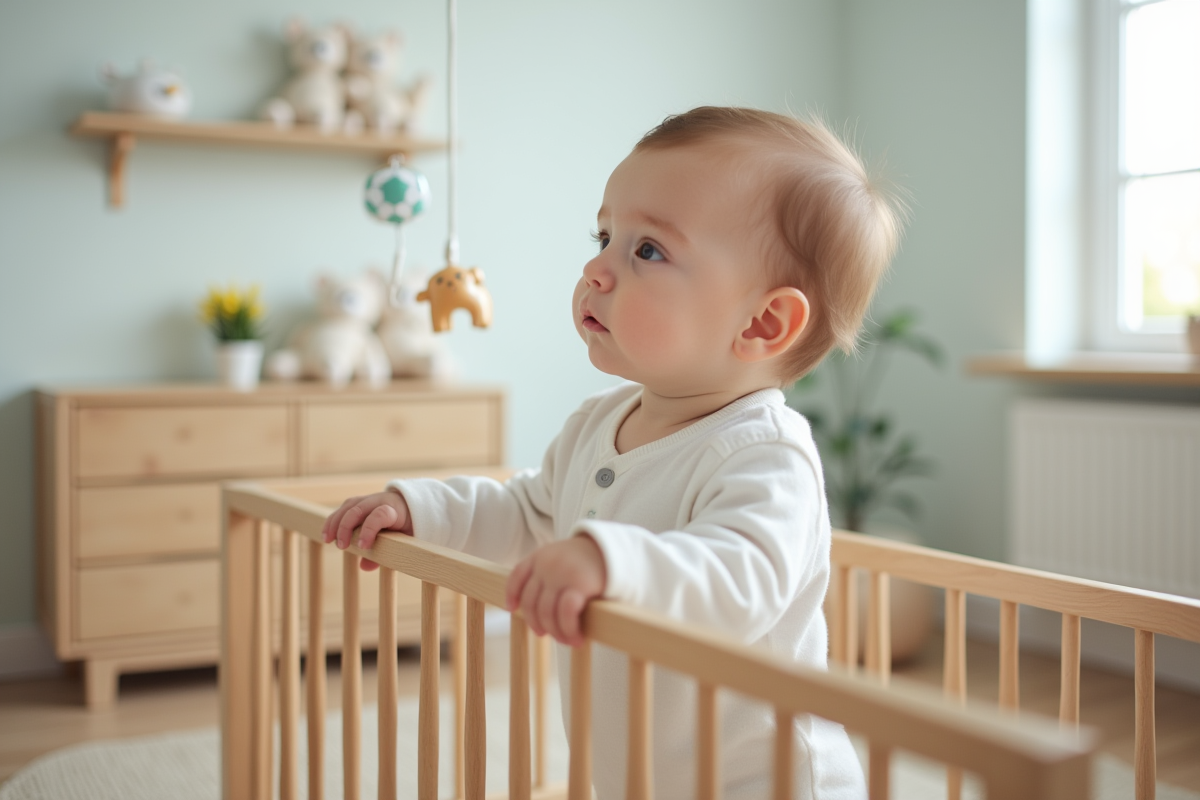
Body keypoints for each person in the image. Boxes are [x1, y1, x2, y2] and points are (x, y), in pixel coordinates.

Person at [322, 106, 903, 800]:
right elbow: (528, 513)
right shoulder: (598, 426)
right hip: (640, 772)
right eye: (604, 235)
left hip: (764, 782)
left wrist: (606, 558)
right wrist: (421, 509)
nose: (597, 268)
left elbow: (737, 581)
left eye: (647, 250)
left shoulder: (765, 455)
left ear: (762, 322)